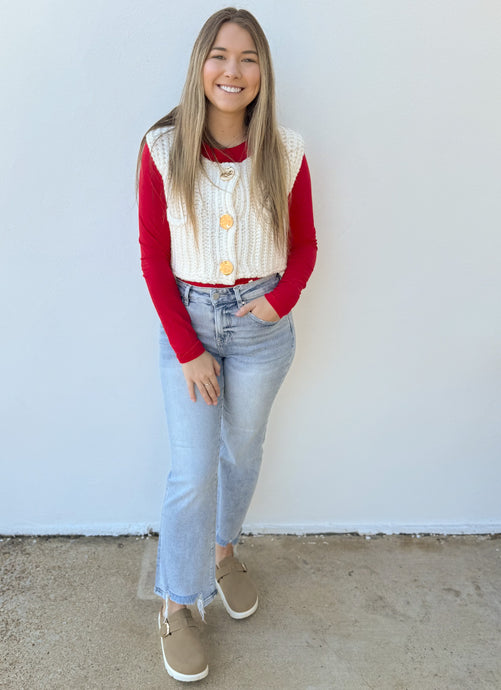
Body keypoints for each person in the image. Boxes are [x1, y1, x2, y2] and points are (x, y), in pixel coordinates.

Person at [136, 7, 317, 682]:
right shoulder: (162, 148)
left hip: (261, 326)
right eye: (219, 55)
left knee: (241, 450)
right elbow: (155, 259)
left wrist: (277, 300)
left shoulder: (287, 150)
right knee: (192, 470)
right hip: (189, 323)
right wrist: (186, 348)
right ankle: (176, 602)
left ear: (262, 72)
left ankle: (222, 551)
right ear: (199, 65)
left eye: (247, 58)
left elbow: (304, 245)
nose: (232, 71)